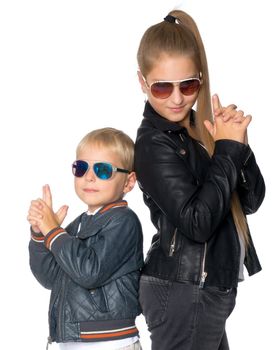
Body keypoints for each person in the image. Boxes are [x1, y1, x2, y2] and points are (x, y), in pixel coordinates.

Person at [134, 10, 265, 350]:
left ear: (201, 79)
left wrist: (238, 147)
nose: (177, 98)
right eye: (163, 87)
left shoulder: (201, 129)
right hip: (182, 289)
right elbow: (197, 223)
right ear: (142, 82)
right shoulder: (153, 143)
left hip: (204, 289)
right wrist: (226, 150)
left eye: (188, 85)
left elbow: (250, 202)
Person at [28, 127, 143, 350]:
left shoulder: (123, 221)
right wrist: (41, 236)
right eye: (81, 168)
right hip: (74, 341)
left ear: (128, 182)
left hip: (111, 343)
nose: (89, 177)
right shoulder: (78, 225)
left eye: (102, 170)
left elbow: (89, 272)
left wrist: (54, 232)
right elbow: (51, 278)